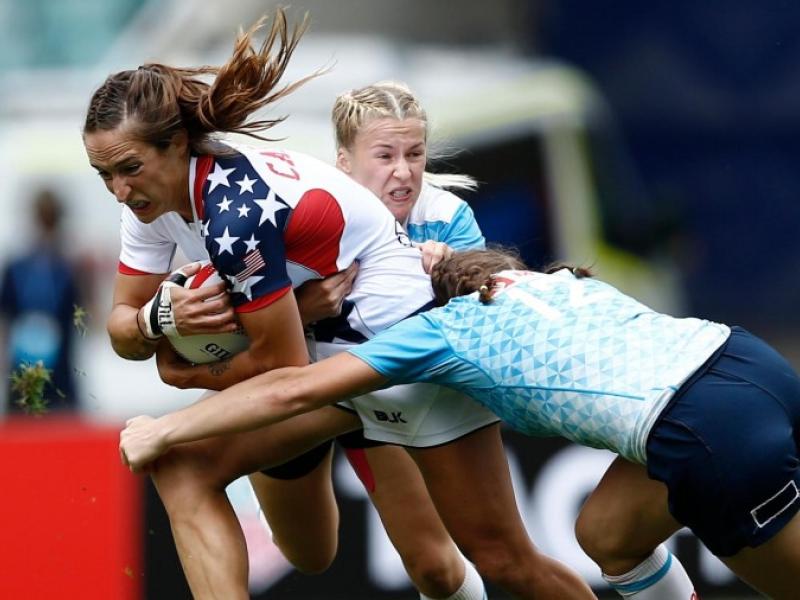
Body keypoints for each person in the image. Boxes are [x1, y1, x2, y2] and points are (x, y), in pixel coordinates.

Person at [84, 9, 592, 600]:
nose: (118, 190)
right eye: (103, 175)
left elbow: (282, 369)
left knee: (477, 562)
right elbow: (122, 328)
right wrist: (158, 319)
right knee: (311, 550)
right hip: (327, 364)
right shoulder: (150, 201)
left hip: (393, 361)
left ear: (176, 145)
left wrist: (182, 376)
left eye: (128, 169)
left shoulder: (235, 216)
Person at [121, 247, 800, 600]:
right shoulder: (555, 282)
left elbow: (291, 390)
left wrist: (167, 430)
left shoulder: (440, 331)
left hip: (703, 432)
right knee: (607, 535)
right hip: (748, 361)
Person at [258, 79, 490, 598]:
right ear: (343, 162)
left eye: (415, 154)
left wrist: (451, 279)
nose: (403, 172)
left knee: (435, 567)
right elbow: (242, 318)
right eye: (385, 156)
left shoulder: (447, 219)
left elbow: (486, 324)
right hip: (296, 386)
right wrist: (301, 308)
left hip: (378, 396)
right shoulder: (299, 213)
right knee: (309, 555)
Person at [0, 187, 83, 413]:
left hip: (60, 366)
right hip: (22, 363)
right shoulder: (17, 266)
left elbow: (83, 314)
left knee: (59, 415)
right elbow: (5, 314)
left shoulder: (70, 267)